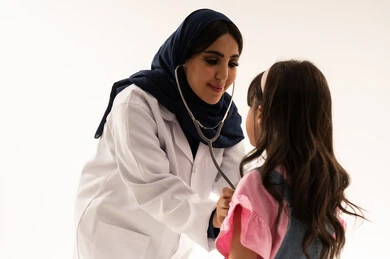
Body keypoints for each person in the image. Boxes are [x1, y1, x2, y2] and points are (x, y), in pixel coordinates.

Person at [73, 8, 245, 259]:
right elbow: (152, 184)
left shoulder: (222, 119)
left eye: (232, 63)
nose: (223, 75)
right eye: (212, 60)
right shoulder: (135, 103)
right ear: (183, 58)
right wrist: (212, 216)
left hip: (170, 241)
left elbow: (241, 178)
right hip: (113, 237)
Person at [215, 60, 366, 259]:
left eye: (250, 107)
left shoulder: (256, 186)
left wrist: (241, 210)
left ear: (260, 113)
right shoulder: (325, 190)